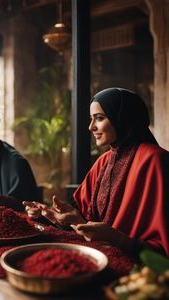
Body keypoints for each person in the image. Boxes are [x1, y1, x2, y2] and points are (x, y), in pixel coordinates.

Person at [24, 87, 169, 256]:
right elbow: (85, 219)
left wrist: (117, 239)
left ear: (122, 118)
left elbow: (162, 244)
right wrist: (52, 215)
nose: (91, 127)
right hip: (99, 254)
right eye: (91, 119)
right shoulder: (104, 161)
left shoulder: (156, 160)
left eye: (99, 118)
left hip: (141, 270)